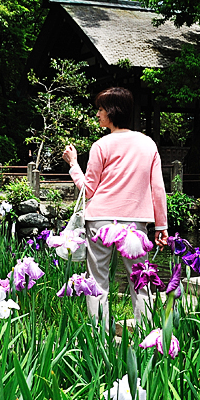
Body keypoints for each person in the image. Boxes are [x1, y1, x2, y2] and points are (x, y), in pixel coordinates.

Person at [62, 87, 168, 331]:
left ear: (111, 111)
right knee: (141, 281)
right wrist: (161, 226)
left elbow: (88, 191)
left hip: (99, 221)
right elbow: (158, 188)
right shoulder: (148, 144)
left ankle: (100, 338)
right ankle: (148, 335)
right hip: (136, 224)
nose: (98, 114)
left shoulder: (101, 145)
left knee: (97, 280)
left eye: (100, 109)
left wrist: (73, 164)